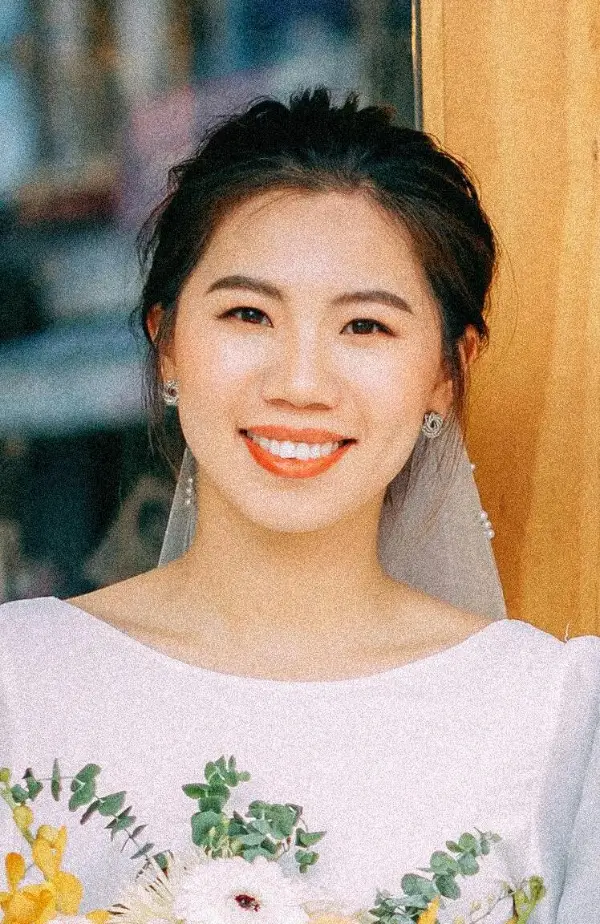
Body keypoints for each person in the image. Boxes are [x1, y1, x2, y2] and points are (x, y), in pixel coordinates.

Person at [0, 88, 599, 924]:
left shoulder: (557, 719)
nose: (301, 383)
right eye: (249, 314)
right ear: (166, 342)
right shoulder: (21, 683)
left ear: (445, 370)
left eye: (366, 327)